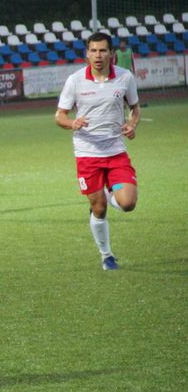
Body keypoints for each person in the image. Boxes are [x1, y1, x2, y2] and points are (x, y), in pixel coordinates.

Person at [55, 31, 140, 271]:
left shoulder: (125, 78)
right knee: (99, 208)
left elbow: (135, 108)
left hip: (115, 151)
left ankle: (109, 192)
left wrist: (132, 124)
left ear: (111, 54)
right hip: (87, 153)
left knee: (128, 203)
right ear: (87, 53)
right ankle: (107, 256)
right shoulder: (75, 80)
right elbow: (59, 116)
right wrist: (73, 123)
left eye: (102, 50)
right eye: (93, 50)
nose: (98, 55)